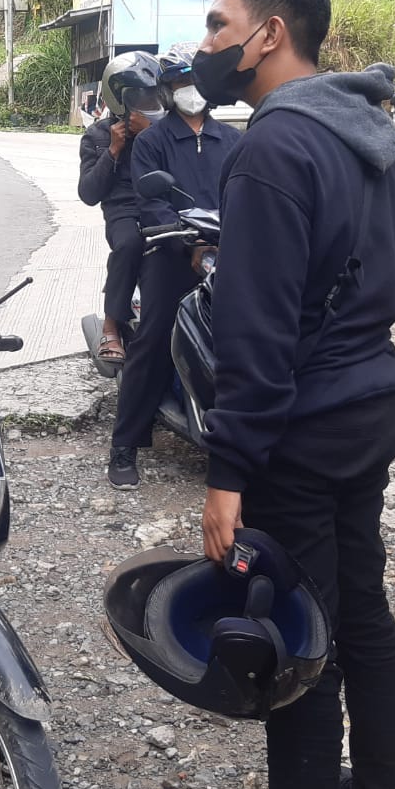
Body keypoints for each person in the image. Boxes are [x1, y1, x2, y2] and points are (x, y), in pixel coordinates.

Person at [189, 0, 395, 789]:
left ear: (268, 35)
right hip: (368, 407)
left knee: (301, 638)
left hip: (302, 428)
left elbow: (256, 336)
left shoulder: (273, 147)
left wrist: (226, 471)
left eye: (216, 25)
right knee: (362, 609)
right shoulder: (366, 129)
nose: (204, 45)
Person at [106, 44, 241, 490]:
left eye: (194, 81)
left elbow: (247, 197)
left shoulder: (234, 141)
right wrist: (189, 245)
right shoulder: (152, 143)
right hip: (171, 252)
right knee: (155, 336)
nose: (189, 91)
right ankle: (125, 443)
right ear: (166, 91)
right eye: (180, 83)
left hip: (229, 253)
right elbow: (152, 203)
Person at [77, 52, 164, 367]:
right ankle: (111, 325)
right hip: (123, 209)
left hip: (161, 202)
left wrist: (151, 135)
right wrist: (113, 150)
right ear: (119, 97)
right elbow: (88, 193)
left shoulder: (163, 128)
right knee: (129, 243)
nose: (147, 100)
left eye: (152, 94)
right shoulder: (98, 135)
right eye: (139, 94)